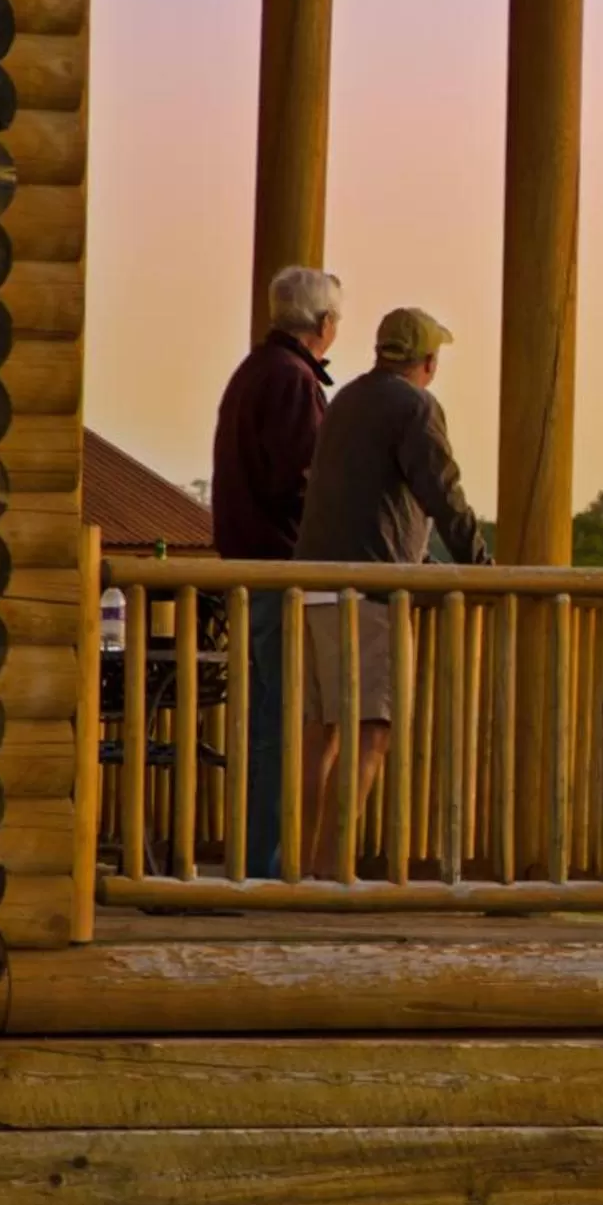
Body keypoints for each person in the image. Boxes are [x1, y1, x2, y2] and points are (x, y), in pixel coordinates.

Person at [293, 307, 492, 874]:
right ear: (427, 361)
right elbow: (442, 493)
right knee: (371, 732)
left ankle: (302, 873)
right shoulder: (415, 406)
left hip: (313, 583)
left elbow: (372, 501)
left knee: (322, 734)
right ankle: (334, 874)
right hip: (369, 590)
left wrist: (419, 556)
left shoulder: (348, 400)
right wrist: (479, 564)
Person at [209, 265, 339, 880]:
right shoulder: (292, 382)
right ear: (325, 325)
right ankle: (266, 865)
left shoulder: (256, 372)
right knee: (280, 723)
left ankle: (260, 860)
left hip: (249, 565)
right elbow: (306, 481)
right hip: (279, 571)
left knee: (269, 719)